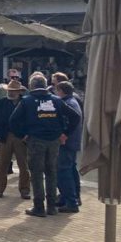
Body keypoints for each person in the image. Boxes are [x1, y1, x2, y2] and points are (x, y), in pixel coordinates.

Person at [10, 74, 81, 218]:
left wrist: (22, 134)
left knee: (36, 174)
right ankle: (51, 207)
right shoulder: (56, 101)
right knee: (51, 173)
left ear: (31, 86)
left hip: (36, 140)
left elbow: (12, 121)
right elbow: (75, 117)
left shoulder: (27, 101)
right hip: (54, 141)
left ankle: (39, 207)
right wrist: (65, 133)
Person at [0, 79, 30, 198]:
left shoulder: (25, 103)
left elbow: (30, 120)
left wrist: (28, 134)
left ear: (19, 92)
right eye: (10, 91)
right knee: (2, 165)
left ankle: (24, 190)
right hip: (4, 136)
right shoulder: (1, 103)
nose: (11, 93)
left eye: (13, 91)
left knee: (23, 165)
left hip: (20, 137)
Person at [56, 81, 83, 212]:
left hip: (67, 143)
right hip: (73, 142)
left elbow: (73, 119)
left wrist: (64, 134)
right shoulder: (74, 101)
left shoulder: (67, 104)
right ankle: (70, 198)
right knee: (71, 169)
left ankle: (71, 202)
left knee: (63, 171)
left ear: (61, 91)